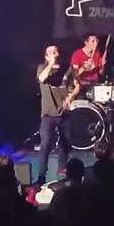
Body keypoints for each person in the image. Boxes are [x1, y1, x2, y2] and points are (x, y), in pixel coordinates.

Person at [36, 45, 80, 185]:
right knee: (45, 143)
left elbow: (77, 85)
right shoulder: (42, 68)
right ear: (46, 56)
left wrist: (71, 97)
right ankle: (41, 175)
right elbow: (42, 78)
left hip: (64, 112)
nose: (55, 53)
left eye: (56, 51)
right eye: (52, 52)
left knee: (65, 142)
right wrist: (50, 64)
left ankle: (62, 169)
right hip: (48, 113)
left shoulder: (68, 68)